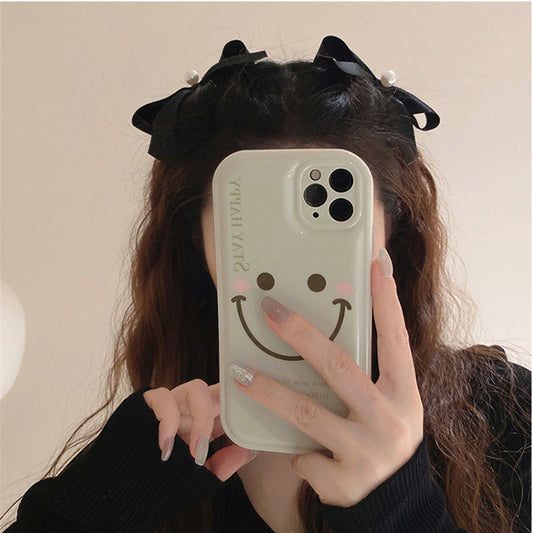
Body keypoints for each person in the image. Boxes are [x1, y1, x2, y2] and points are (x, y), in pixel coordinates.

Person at [1, 36, 530, 533]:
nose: (291, 270)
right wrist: (87, 510)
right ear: (196, 238)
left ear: (393, 231)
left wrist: (401, 510)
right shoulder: (159, 449)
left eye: (331, 229)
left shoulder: (510, 416)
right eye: (255, 232)